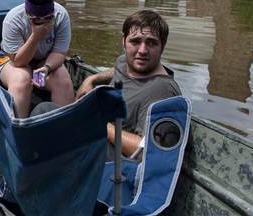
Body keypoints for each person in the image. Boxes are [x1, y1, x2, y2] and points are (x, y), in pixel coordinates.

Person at [77, 9, 181, 158]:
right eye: (135, 41)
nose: (142, 50)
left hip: (113, 160)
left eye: (151, 43)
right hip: (94, 135)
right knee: (45, 109)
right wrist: (91, 79)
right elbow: (119, 70)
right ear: (124, 41)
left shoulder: (161, 90)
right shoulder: (126, 62)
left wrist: (99, 123)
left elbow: (146, 152)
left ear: (162, 46)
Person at [0, 0, 76, 118]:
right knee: (21, 80)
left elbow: (59, 52)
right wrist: (35, 36)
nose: (44, 24)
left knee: (63, 80)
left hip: (44, 60)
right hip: (11, 60)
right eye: (38, 20)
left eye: (48, 18)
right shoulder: (12, 20)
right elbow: (18, 62)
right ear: (29, 15)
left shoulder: (61, 15)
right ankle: (19, 131)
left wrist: (46, 68)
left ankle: (64, 128)